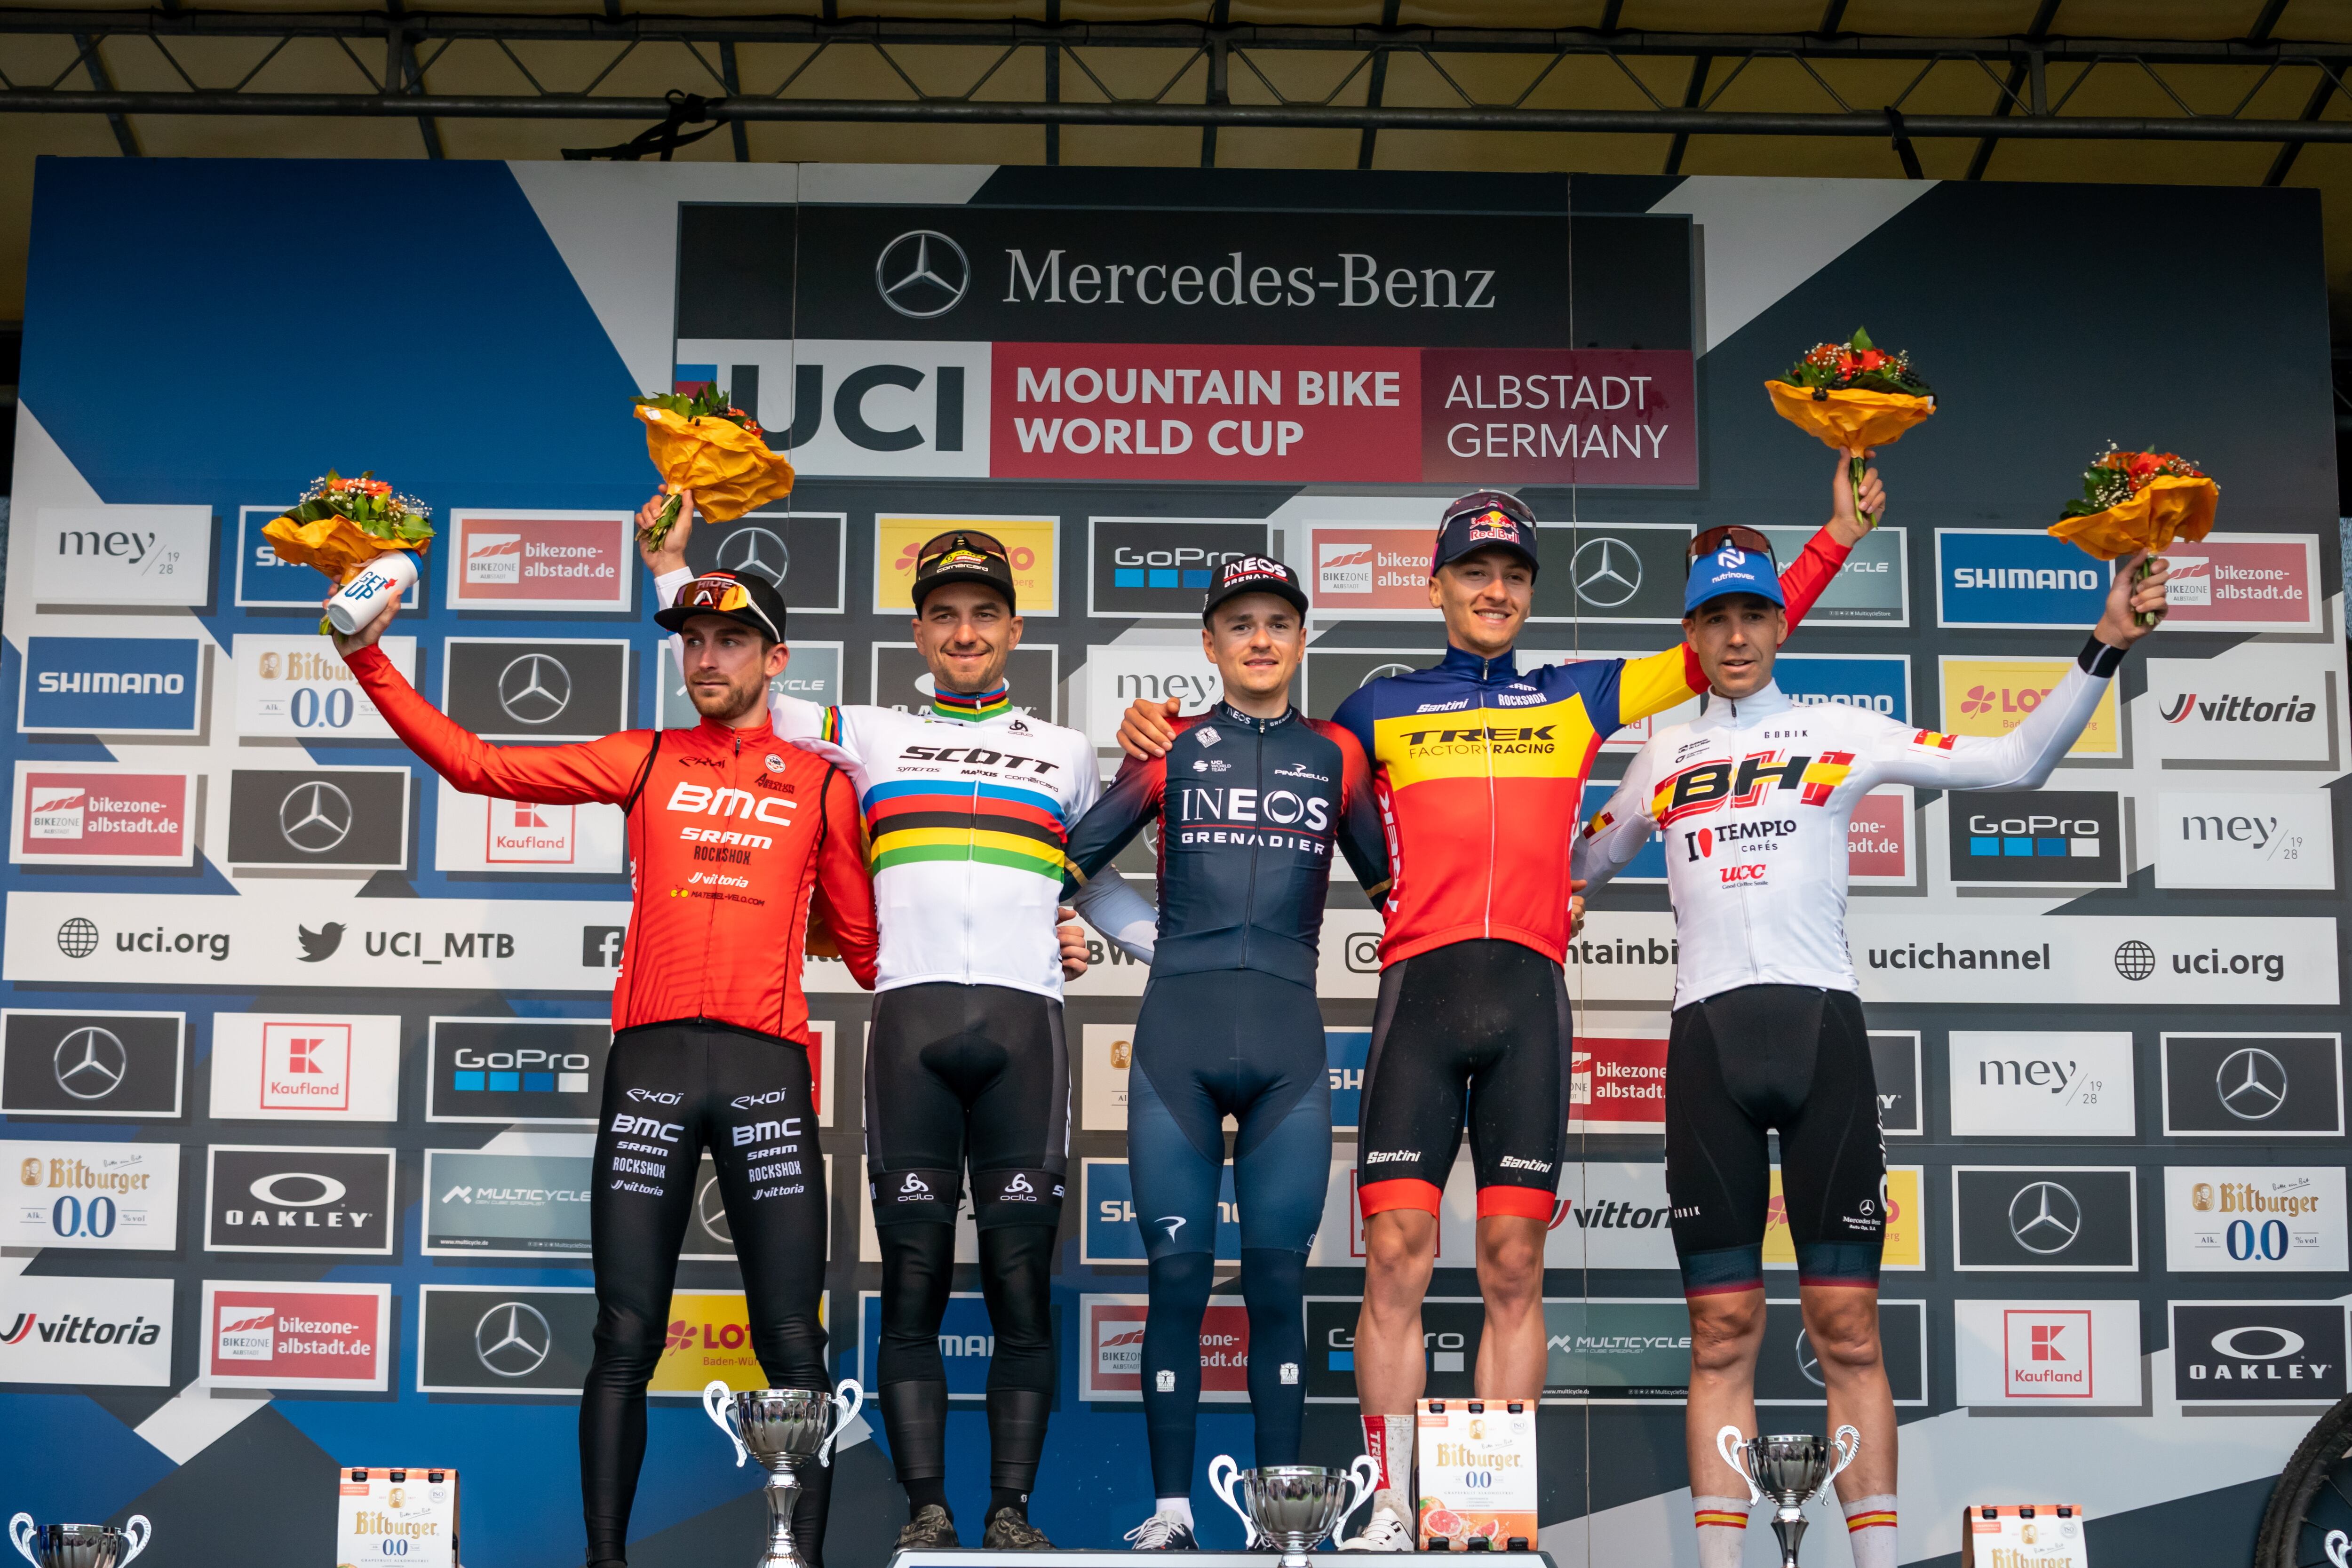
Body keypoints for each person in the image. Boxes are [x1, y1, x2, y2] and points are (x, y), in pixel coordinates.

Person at [1117, 458, 1877, 1548]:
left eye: (1513, 574)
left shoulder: (1578, 691)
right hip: (1419, 996)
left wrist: (1834, 539)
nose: (1494, 589)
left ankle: (1485, 1507)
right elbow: (1265, 746)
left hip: (1527, 1000)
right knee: (1395, 1252)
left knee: (1513, 1262)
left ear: (1528, 592)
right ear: (1436, 585)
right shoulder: (1374, 706)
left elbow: (1728, 638)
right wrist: (1159, 725)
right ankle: (1389, 1504)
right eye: (1473, 571)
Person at [1574, 534, 2170, 1568]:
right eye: (1715, 619)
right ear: (1690, 635)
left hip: (1824, 1042)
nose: (1736, 636)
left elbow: (2012, 763)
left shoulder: (1838, 728)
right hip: (1706, 1044)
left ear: (1780, 623)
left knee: (1848, 1327)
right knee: (1719, 1335)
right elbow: (1578, 865)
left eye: (1752, 614)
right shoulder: (1659, 756)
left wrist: (2105, 642)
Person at [331, 569, 878, 1568]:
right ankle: (605, 1562)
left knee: (795, 1345)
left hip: (768, 1067)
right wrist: (365, 656)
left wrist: (1035, 936)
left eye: (729, 640)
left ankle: (796, 1561)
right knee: (625, 1334)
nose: (705, 657)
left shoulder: (825, 782)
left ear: (776, 659)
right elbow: (478, 766)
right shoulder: (647, 755)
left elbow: (873, 946)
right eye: (692, 639)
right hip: (651, 1064)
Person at [642, 498, 1093, 1552]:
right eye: (945, 614)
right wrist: (672, 570)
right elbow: (738, 681)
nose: (966, 632)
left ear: (1016, 627)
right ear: (919, 630)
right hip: (909, 1028)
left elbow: (1091, 879)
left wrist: (1139, 941)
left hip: (1029, 1030)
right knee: (912, 1283)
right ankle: (926, 1509)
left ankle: (1013, 1512)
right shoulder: (866, 732)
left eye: (985, 612)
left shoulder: (1070, 752)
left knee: (1023, 1286)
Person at [1060, 557, 1390, 1549]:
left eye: (1278, 623)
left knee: (1280, 1283)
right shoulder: (1169, 748)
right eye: (1239, 624)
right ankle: (1171, 1511)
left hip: (1290, 1046)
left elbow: (1400, 894)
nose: (1259, 639)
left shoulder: (1339, 754)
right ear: (1209, 643)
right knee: (1176, 1279)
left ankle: (1279, 1519)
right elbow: (1069, 865)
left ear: (1301, 640)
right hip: (1179, 1039)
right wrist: (1161, 944)